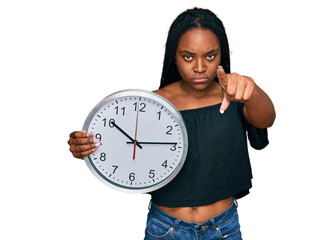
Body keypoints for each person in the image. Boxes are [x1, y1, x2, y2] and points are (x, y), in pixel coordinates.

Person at [68, 7, 275, 239]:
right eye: (188, 56)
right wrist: (87, 146)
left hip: (223, 227)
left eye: (210, 55)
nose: (199, 67)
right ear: (173, 56)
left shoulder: (233, 94)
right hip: (165, 228)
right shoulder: (152, 104)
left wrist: (252, 90)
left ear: (221, 54)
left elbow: (266, 119)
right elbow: (121, 143)